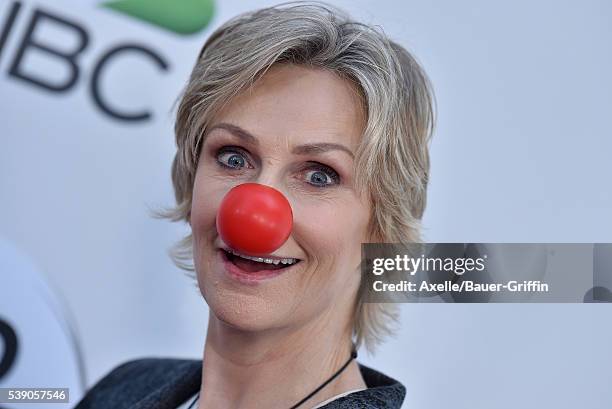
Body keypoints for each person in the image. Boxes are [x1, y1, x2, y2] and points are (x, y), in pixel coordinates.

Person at [74, 1, 434, 408]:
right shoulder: (125, 388)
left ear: (381, 226)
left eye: (319, 175)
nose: (253, 212)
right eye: (233, 157)